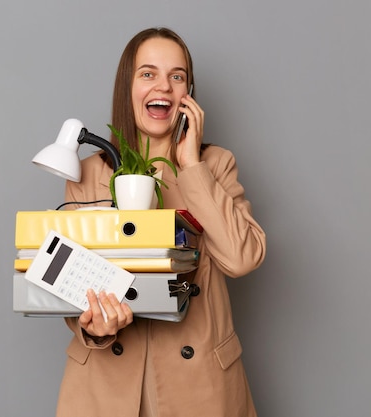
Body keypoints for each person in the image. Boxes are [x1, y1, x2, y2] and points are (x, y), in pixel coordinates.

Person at [56, 27, 266, 417]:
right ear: (128, 86)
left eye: (177, 76)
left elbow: (242, 259)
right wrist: (92, 326)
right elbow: (70, 280)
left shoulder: (214, 165)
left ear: (188, 93)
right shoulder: (87, 173)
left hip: (199, 383)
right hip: (107, 386)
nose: (164, 87)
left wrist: (191, 167)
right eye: (148, 74)